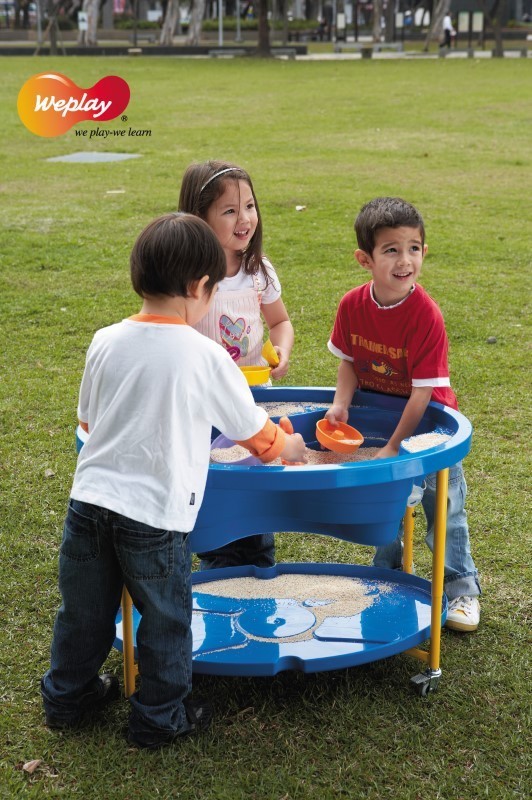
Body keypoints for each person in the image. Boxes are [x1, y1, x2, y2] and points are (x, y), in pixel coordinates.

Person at [41, 213, 306, 749]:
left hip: (89, 504)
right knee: (165, 618)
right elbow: (256, 435)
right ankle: (159, 717)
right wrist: (291, 446)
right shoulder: (205, 355)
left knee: (84, 611)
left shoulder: (104, 340)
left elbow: (89, 423)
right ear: (197, 288)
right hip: (155, 516)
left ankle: (68, 698)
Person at [326, 197, 481, 632]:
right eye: (391, 249)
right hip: (380, 415)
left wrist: (395, 447)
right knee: (386, 503)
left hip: (429, 421)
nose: (404, 260)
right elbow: (349, 362)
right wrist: (340, 403)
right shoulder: (352, 305)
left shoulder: (426, 316)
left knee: (443, 506)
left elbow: (421, 394)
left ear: (424, 253)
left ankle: (461, 588)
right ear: (365, 259)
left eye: (413, 248)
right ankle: (386, 578)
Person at [178, 159, 294, 571]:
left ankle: (258, 558)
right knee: (214, 482)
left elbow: (280, 322)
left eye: (249, 206)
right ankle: (217, 555)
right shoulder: (191, 278)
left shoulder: (258, 272)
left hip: (252, 398)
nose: (244, 219)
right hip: (205, 404)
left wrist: (279, 350)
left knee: (254, 478)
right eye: (229, 211)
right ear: (198, 219)